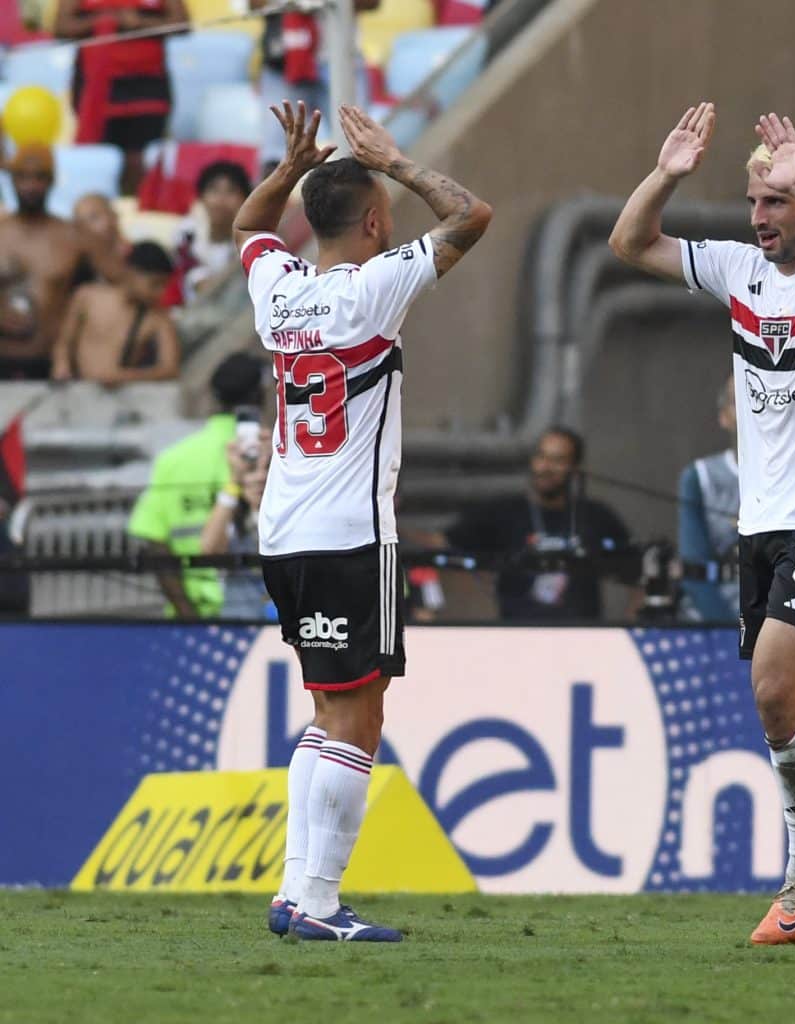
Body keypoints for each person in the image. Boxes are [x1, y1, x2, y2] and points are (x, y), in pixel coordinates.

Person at [610, 103, 795, 946]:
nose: (759, 218)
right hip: (765, 525)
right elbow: (631, 244)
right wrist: (666, 175)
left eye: (774, 202)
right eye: (754, 202)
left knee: (775, 694)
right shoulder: (741, 271)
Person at [237, 101, 490, 942]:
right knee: (357, 717)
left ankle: (293, 892)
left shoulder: (278, 289)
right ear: (377, 222)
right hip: (350, 533)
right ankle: (316, 902)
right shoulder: (375, 287)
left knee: (326, 709)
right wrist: (400, 159)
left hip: (285, 530)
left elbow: (248, 223)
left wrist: (288, 166)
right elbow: (471, 215)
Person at [125, 352, 266, 618]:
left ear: (213, 397)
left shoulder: (173, 458)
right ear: (260, 396)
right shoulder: (269, 453)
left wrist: (187, 616)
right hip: (255, 615)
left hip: (197, 615)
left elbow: (154, 542)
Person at [441, 426, 633, 621]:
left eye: (557, 460)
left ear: (575, 468)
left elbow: (637, 570)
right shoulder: (503, 512)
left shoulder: (596, 516)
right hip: (518, 635)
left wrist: (630, 627)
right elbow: (442, 547)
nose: (546, 467)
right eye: (541, 457)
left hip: (582, 636)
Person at [56, 0, 187, 195]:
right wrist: (105, 21)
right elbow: (61, 27)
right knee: (98, 162)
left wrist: (139, 23)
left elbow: (182, 23)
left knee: (139, 161)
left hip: (146, 87)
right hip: (98, 87)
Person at [250, 0, 378, 176]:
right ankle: (277, 202)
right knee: (276, 155)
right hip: (284, 62)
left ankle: (359, 200)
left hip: (341, 58)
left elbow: (371, 3)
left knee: (360, 146)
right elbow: (253, 4)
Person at [0, 147, 87, 379]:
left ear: (52, 181)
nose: (30, 186)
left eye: (39, 177)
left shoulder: (73, 238)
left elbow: (100, 293)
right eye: (23, 177)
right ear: (12, 179)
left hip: (50, 365)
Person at [51, 241, 181, 382]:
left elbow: (169, 368)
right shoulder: (88, 297)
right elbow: (64, 342)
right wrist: (61, 365)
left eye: (164, 285)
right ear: (132, 272)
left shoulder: (158, 318)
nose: (159, 293)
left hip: (122, 396)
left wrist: (124, 376)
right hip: (79, 389)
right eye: (154, 283)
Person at [677, 379, 739, 622]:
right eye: (738, 402)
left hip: (783, 625)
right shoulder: (699, 477)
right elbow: (695, 570)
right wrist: (730, 632)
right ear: (724, 417)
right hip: (712, 624)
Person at [199, 425, 273, 621]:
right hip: (240, 626)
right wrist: (234, 480)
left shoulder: (291, 516)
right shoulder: (231, 517)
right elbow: (209, 550)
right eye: (251, 469)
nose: (260, 477)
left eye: (268, 468)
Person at [171, 161, 254, 303]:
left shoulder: (251, 240)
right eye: (214, 191)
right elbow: (200, 284)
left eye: (231, 191)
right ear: (201, 197)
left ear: (244, 200)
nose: (221, 200)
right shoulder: (187, 233)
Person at [72, 193, 129, 285]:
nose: (85, 227)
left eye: (93, 218)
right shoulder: (82, 268)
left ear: (113, 215)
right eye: (79, 223)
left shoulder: (139, 258)